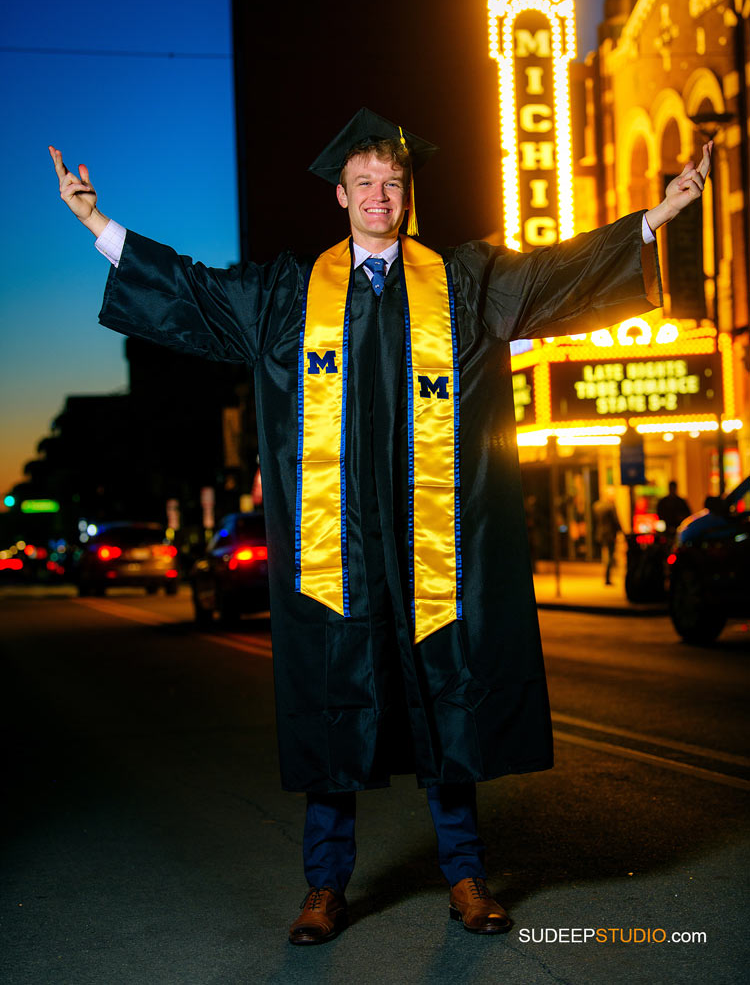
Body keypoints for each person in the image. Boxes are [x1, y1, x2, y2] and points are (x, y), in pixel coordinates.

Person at [49, 113, 712, 944]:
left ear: (407, 196)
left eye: (392, 183)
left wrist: (656, 216)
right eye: (364, 182)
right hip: (340, 547)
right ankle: (325, 887)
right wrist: (98, 225)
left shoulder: (461, 281)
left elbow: (556, 271)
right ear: (341, 195)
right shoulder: (292, 291)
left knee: (449, 699)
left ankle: (466, 876)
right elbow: (197, 289)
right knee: (337, 704)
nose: (379, 195)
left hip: (438, 538)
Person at [592, 489, 623, 586]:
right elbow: (616, 520)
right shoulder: (610, 506)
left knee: (606, 555)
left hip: (600, 533)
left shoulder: (597, 506)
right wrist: (621, 532)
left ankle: (606, 575)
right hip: (609, 534)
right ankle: (607, 577)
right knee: (610, 555)